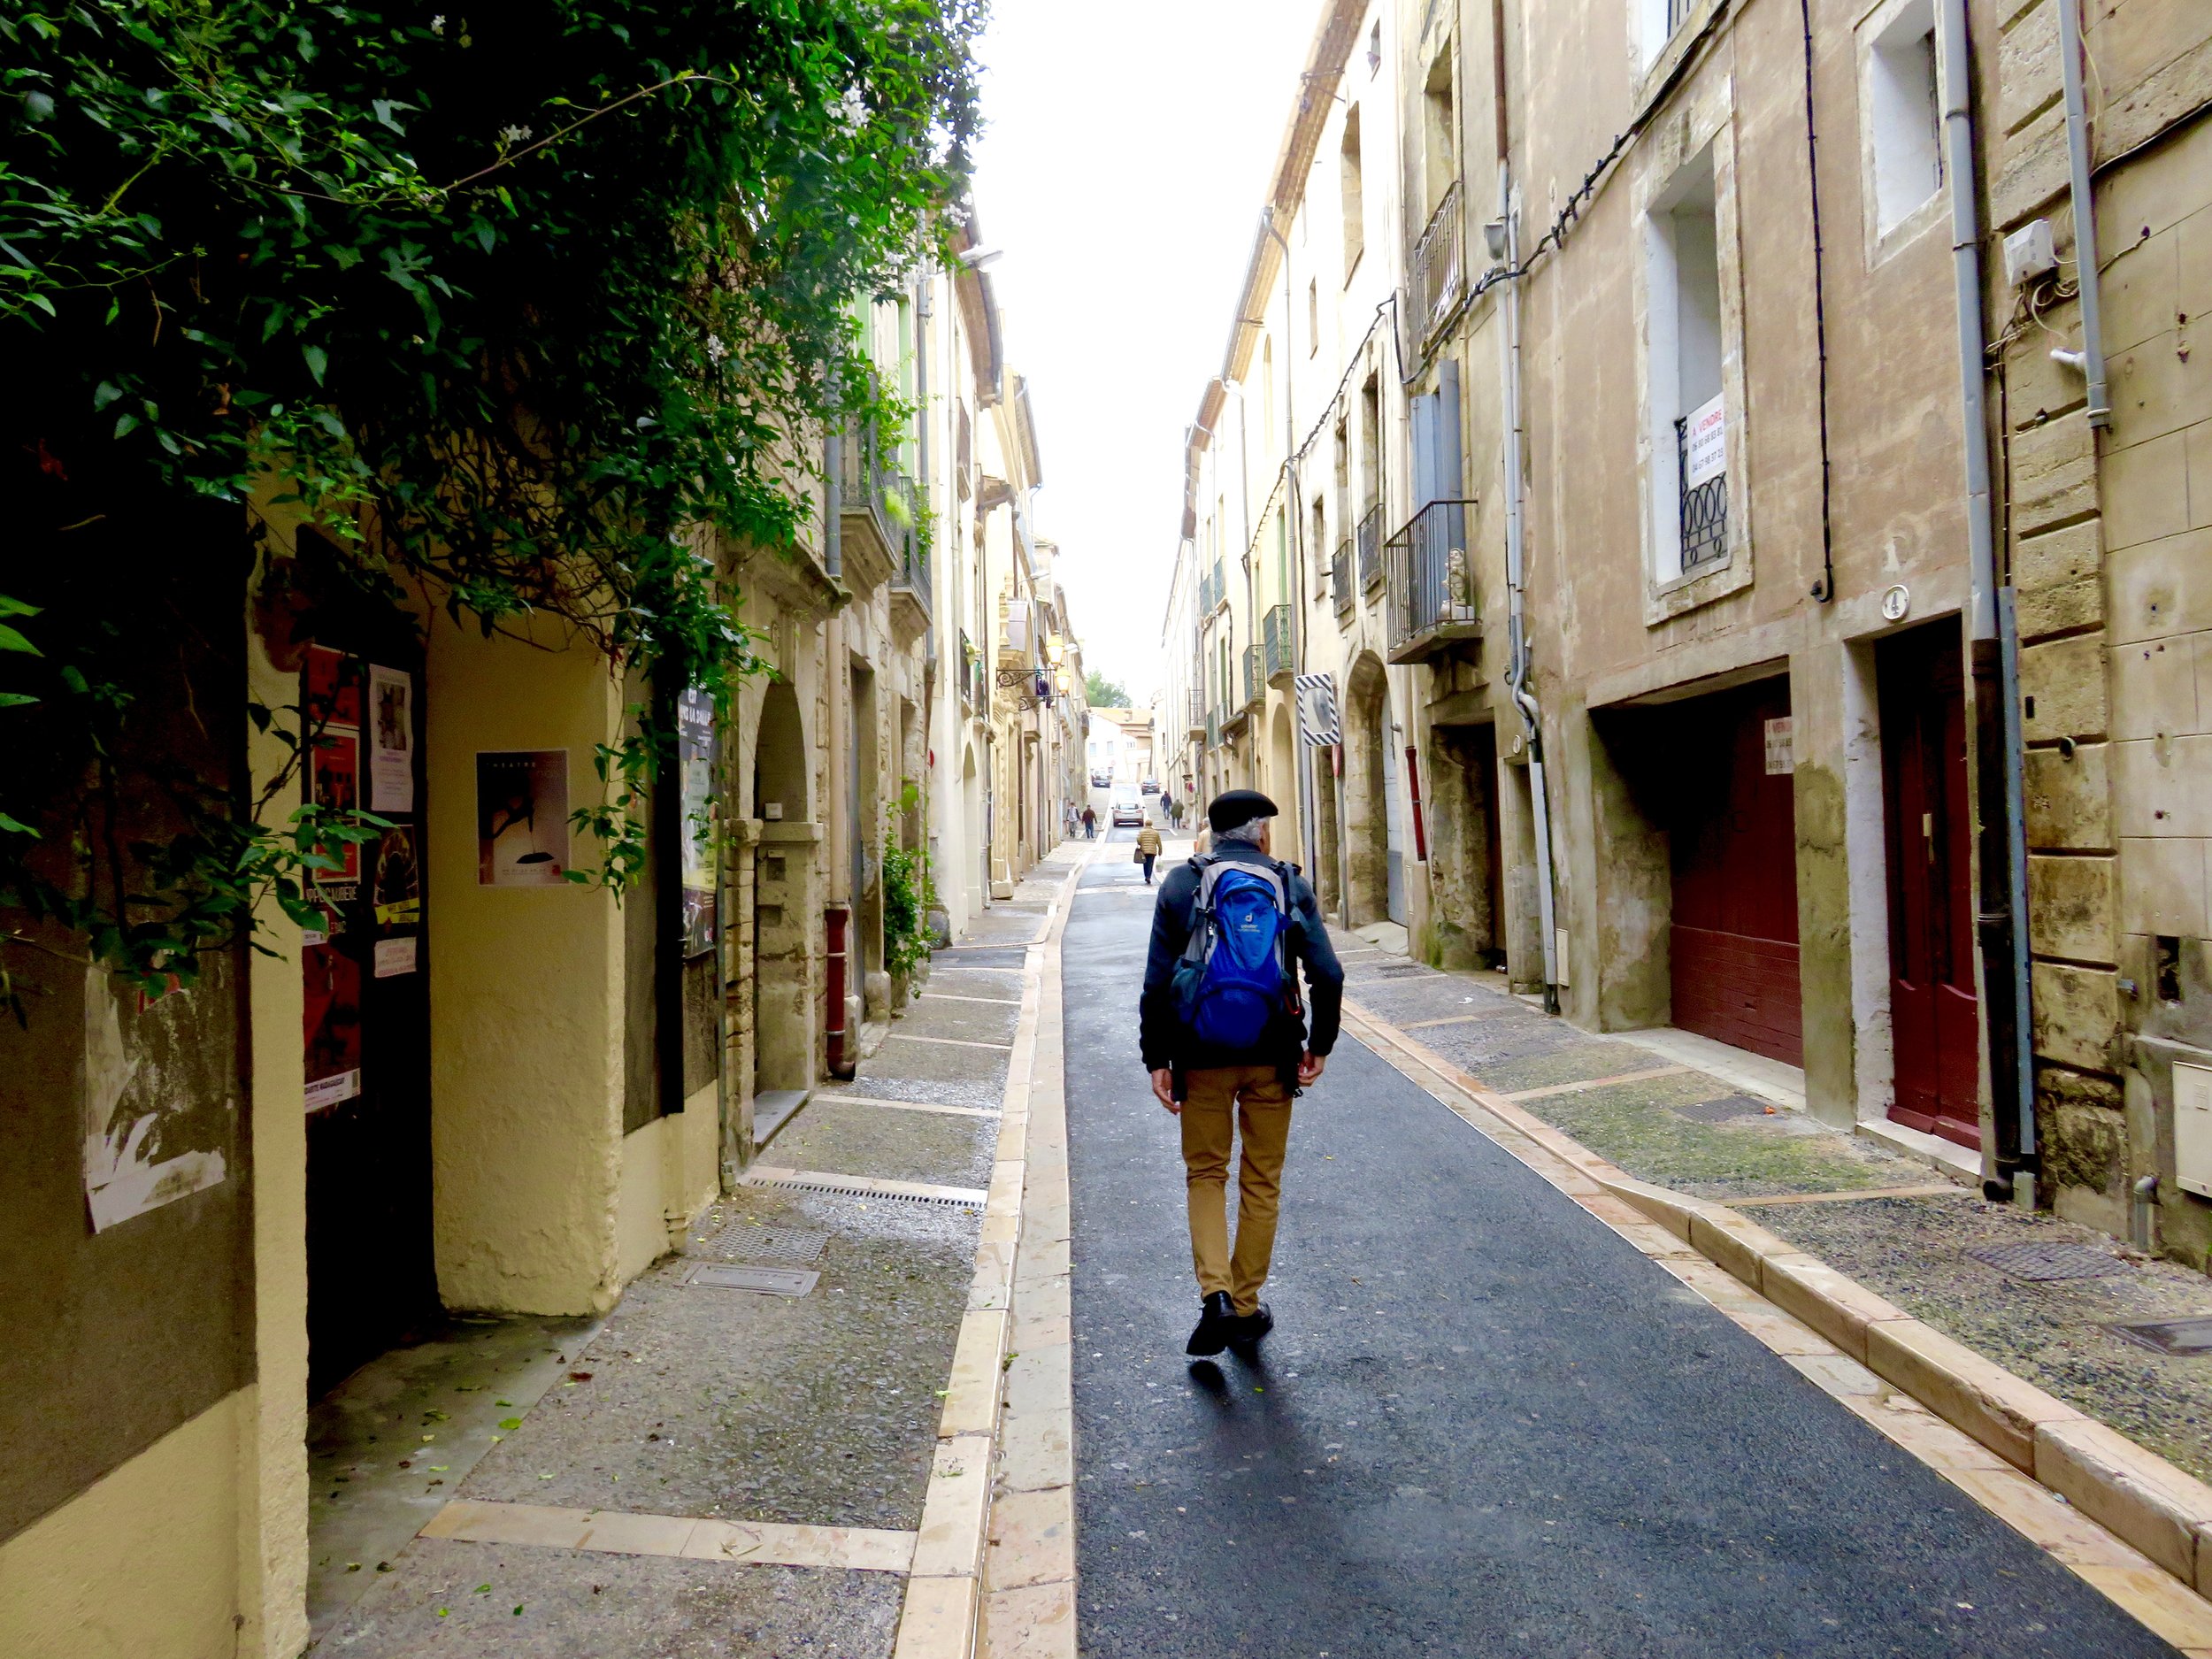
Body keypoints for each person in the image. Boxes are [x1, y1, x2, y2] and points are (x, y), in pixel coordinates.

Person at [1138, 789, 1343, 1356]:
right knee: (1261, 1180)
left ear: (1213, 830)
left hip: (1199, 1055)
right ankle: (1247, 1307)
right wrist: (1318, 1044)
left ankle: (1215, 1297)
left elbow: (1157, 983)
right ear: (1261, 832)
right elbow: (1328, 974)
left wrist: (1156, 1057)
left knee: (1206, 1175)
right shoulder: (1287, 882)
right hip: (1272, 1053)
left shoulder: (1182, 884)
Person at [1134, 815, 1163, 886]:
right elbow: (1159, 842)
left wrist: (1139, 842)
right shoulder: (1156, 833)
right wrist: (1160, 851)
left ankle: (1146, 876)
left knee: (1145, 864)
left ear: (1145, 824)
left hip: (1144, 851)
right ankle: (1149, 877)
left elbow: (1139, 840)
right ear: (1151, 824)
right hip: (1152, 851)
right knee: (1150, 864)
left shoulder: (1141, 832)